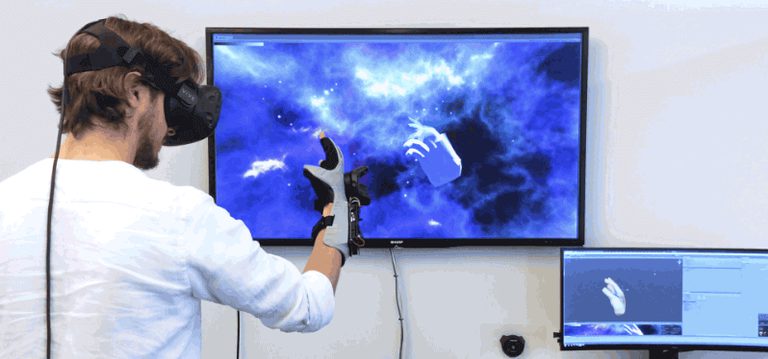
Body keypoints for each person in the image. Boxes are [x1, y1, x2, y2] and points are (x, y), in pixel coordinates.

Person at [0, 16, 346, 358]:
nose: (168, 128)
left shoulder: (5, 203)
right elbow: (307, 306)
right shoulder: (178, 216)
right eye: (170, 104)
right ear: (135, 93)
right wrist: (336, 214)